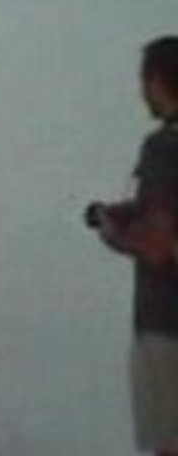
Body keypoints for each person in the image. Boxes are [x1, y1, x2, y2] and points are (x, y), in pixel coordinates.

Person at [88, 36, 178, 456]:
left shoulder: (164, 147)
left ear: (157, 81)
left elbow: (158, 247)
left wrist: (113, 233)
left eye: (143, 82)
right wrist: (133, 210)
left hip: (166, 326)